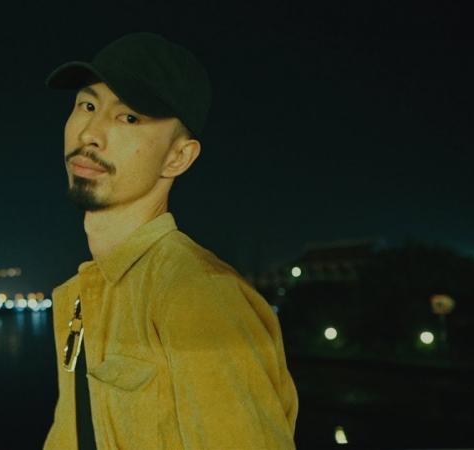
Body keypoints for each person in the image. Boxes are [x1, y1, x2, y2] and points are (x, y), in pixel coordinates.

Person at [42, 32, 299, 450]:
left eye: (129, 118)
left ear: (178, 157)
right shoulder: (78, 295)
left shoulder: (198, 294)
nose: (89, 134)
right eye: (87, 106)